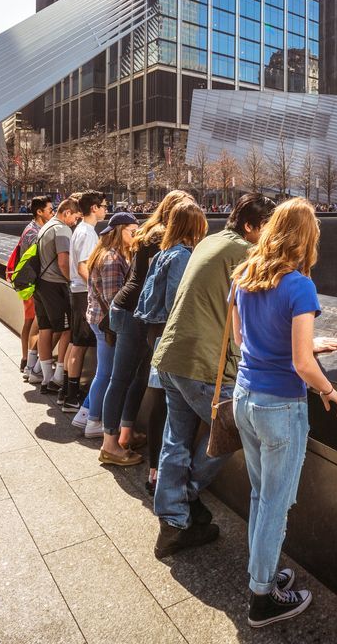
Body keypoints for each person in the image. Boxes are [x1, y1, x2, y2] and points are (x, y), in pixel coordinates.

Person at [231, 197, 337, 628]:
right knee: (276, 505)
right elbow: (302, 365)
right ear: (306, 238)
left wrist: (301, 342)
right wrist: (330, 391)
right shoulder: (299, 286)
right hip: (280, 406)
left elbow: (242, 338)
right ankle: (262, 599)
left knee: (260, 496)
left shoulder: (244, 274)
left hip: (243, 398)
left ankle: (260, 572)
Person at [150, 193, 277, 559]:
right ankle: (185, 496)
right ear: (251, 226)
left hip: (172, 356)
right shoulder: (245, 253)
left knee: (177, 435)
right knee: (237, 427)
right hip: (203, 365)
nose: (270, 237)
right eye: (267, 228)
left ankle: (173, 520)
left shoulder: (211, 241)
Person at [99, 190, 193, 466]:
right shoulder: (161, 237)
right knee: (121, 379)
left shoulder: (150, 231)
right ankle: (109, 444)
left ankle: (125, 435)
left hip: (132, 309)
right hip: (133, 313)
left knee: (138, 378)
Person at [134, 199, 208, 495]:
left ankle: (156, 472)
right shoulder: (180, 256)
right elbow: (176, 301)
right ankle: (159, 476)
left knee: (161, 398)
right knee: (167, 405)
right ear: (193, 226)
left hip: (155, 330)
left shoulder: (164, 251)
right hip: (168, 332)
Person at [75, 211, 138, 437]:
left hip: (97, 319)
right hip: (106, 323)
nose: (136, 236)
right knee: (107, 373)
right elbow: (114, 299)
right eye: (133, 232)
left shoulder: (106, 253)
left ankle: (84, 415)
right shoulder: (112, 259)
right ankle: (93, 421)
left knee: (105, 371)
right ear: (120, 232)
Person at [62, 191, 107, 411]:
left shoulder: (80, 230)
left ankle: (66, 391)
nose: (106, 210)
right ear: (94, 208)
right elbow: (83, 267)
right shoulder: (88, 233)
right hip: (82, 293)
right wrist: (98, 290)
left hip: (76, 292)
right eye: (104, 206)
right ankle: (71, 397)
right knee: (79, 344)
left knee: (75, 342)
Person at [32, 198, 82, 394]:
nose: (75, 222)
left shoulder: (46, 226)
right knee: (67, 330)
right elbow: (63, 262)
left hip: (41, 284)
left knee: (46, 328)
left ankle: (45, 378)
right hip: (56, 285)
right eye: (75, 218)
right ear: (67, 212)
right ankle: (59, 376)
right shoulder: (61, 229)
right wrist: (73, 280)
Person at [12, 197, 53, 380]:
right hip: (31, 284)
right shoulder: (32, 232)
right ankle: (26, 360)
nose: (52, 214)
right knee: (31, 321)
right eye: (50, 210)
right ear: (39, 212)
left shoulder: (33, 229)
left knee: (30, 321)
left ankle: (26, 360)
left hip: (31, 283)